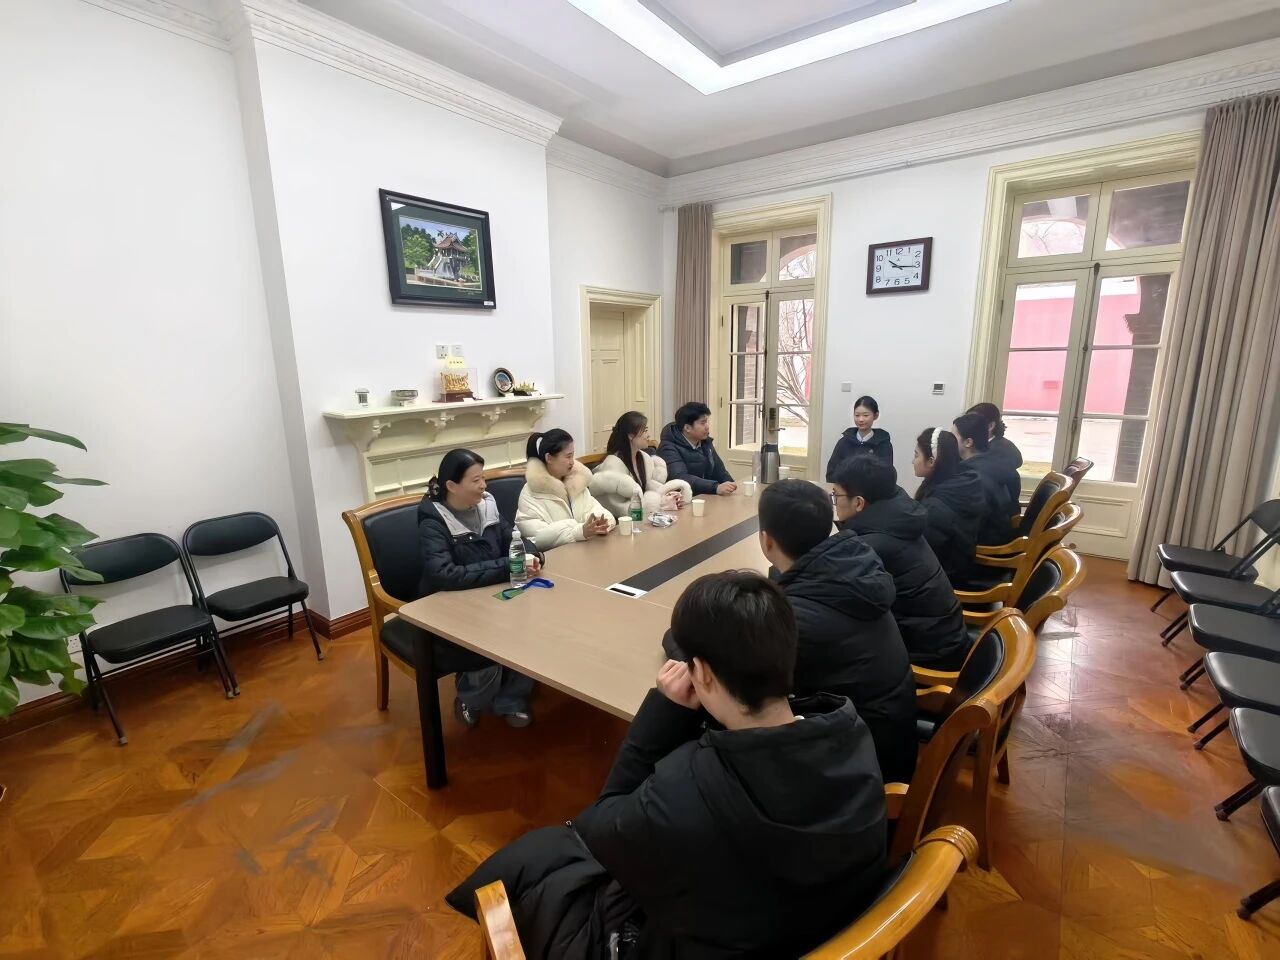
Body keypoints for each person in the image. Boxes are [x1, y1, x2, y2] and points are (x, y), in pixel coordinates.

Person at [446, 572, 889, 959]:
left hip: (707, 941)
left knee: (541, 860)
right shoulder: (850, 732)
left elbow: (598, 826)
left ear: (704, 674)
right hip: (820, 926)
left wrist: (663, 710)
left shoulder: (682, 798)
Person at [757, 479, 917, 783]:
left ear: (766, 541)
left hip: (858, 771)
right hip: (890, 740)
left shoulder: (794, 619)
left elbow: (728, 662)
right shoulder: (854, 564)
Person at [418, 448, 540, 728]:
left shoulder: (487, 504)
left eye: (483, 478)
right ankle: (470, 697)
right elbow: (445, 574)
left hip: (491, 593)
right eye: (476, 480)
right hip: (451, 605)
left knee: (537, 627)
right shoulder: (433, 520)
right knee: (488, 642)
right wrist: (508, 566)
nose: (484, 485)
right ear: (452, 486)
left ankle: (511, 699)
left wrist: (532, 554)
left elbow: (513, 536)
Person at [833, 455, 971, 671]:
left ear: (859, 502)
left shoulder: (872, 545)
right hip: (943, 636)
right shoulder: (898, 518)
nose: (834, 502)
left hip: (929, 654)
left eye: (836, 495)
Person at [517, 429, 615, 549]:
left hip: (585, 552)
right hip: (554, 558)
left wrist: (601, 523)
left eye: (573, 455)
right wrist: (579, 531)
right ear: (549, 458)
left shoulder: (577, 482)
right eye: (568, 456)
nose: (572, 462)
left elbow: (597, 510)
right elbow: (536, 537)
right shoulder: (530, 493)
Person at [913, 426, 987, 583]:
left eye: (916, 455)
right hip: (959, 568)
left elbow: (924, 554)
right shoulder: (961, 483)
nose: (913, 461)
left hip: (944, 579)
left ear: (931, 461)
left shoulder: (936, 507)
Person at [589, 411, 692, 518]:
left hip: (644, 518)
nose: (648, 435)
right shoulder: (612, 465)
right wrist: (658, 504)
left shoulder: (644, 458)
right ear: (630, 435)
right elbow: (618, 509)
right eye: (645, 431)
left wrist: (670, 498)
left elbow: (649, 487)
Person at [953, 412, 1018, 546]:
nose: (950, 441)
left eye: (953, 437)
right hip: (998, 536)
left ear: (968, 442)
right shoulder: (991, 463)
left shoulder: (973, 477)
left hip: (985, 547)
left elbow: (966, 522)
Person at [658, 401, 736, 496]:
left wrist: (732, 486)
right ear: (687, 428)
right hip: (681, 500)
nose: (707, 427)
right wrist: (715, 487)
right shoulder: (668, 448)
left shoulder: (705, 442)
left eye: (707, 422)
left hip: (704, 497)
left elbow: (720, 471)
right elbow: (680, 478)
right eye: (703, 423)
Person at [826, 395, 893, 480]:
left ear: (876, 415)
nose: (861, 419)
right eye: (857, 415)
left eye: (865, 415)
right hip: (844, 487)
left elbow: (887, 476)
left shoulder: (883, 444)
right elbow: (831, 472)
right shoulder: (843, 442)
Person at [967, 402, 1024, 471]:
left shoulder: (1000, 451)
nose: (967, 426)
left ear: (990, 426)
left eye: (973, 422)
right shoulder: (991, 443)